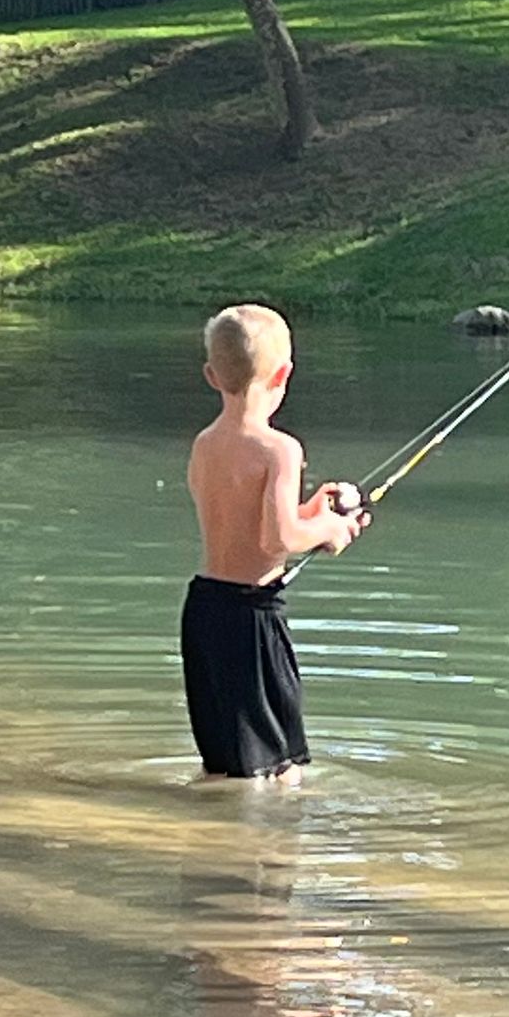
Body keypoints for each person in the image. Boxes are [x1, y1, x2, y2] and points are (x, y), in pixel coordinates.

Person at [182, 303, 368, 783]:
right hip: (251, 619)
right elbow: (277, 537)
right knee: (280, 769)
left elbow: (246, 528)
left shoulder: (205, 443)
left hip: (203, 611)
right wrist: (331, 530)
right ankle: (270, 852)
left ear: (210, 375)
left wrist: (311, 512)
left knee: (224, 767)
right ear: (283, 373)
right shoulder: (280, 449)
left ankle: (207, 847)